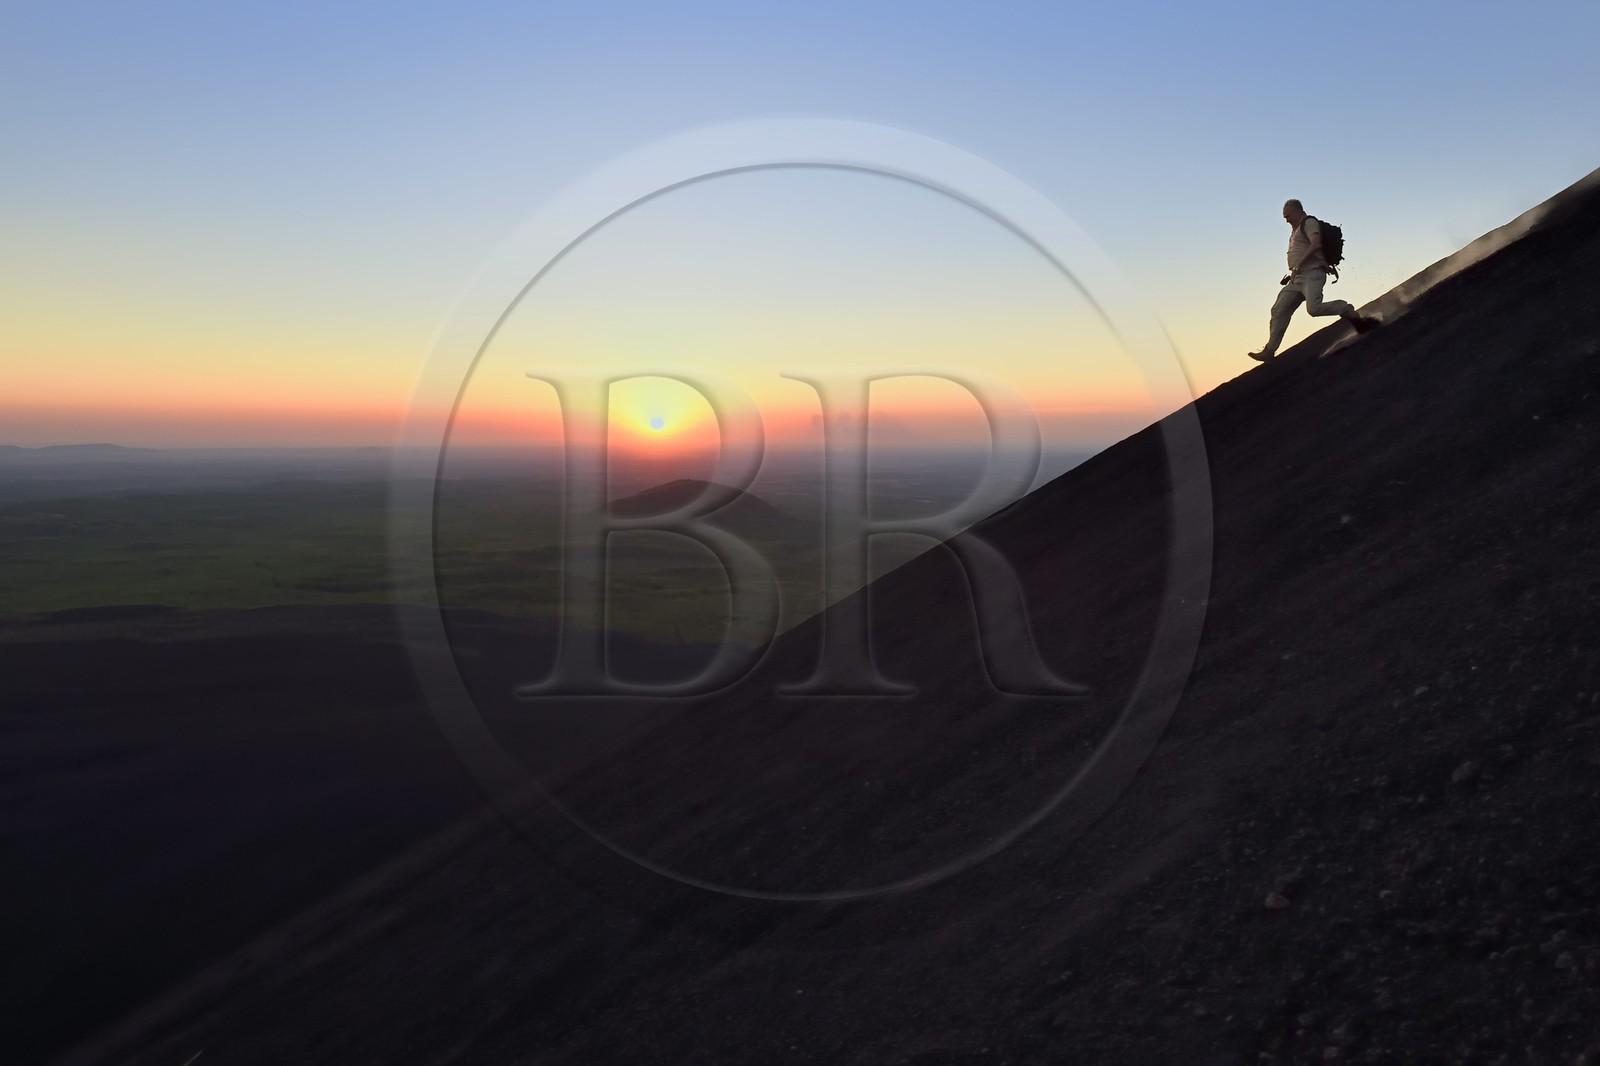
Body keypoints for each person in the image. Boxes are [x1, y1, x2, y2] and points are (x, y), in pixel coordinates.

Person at [1248, 199, 1379, 361]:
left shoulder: (1308, 223)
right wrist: (1293, 273)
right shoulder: (1295, 231)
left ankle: (1346, 309)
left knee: (1314, 309)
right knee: (1279, 309)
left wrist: (1298, 266)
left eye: (1287, 216)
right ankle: (1269, 350)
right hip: (1297, 279)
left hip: (1312, 274)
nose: (1286, 219)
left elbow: (1315, 244)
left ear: (1297, 211)